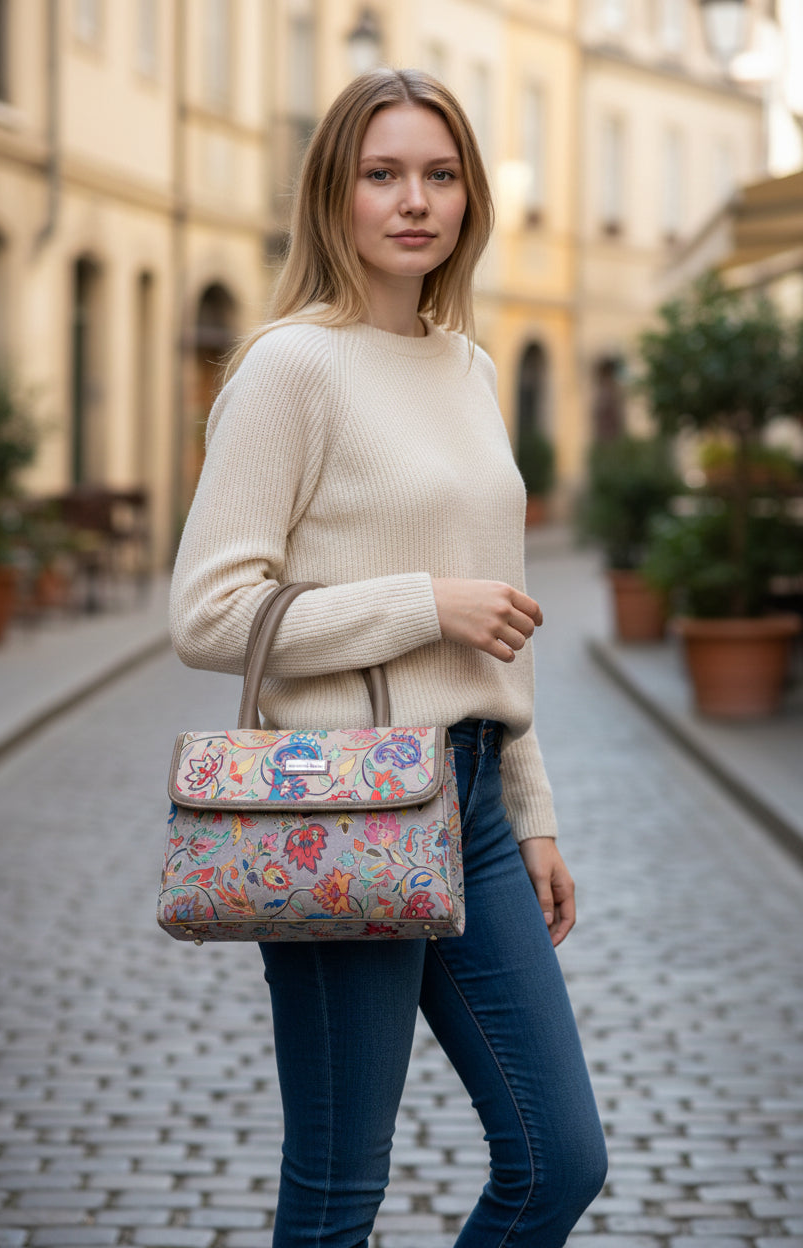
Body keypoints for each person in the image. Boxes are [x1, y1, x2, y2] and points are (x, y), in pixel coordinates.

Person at [170, 66, 607, 1248]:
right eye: (381, 175)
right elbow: (209, 613)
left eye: (439, 174)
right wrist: (421, 604)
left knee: (559, 1159)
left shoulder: (469, 370)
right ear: (336, 196)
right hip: (337, 803)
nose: (412, 201)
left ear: (467, 197)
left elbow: (499, 624)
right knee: (336, 1191)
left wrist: (534, 811)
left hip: (470, 796)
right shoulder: (287, 369)